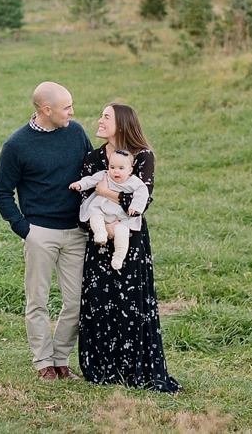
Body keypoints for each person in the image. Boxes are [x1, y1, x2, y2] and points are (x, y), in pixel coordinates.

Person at [77, 103, 181, 393]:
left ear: (121, 124)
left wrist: (105, 191)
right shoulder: (93, 158)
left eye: (106, 117)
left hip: (131, 241)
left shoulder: (143, 157)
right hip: (98, 238)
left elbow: (140, 203)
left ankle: (133, 366)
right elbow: (82, 203)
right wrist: (106, 226)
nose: (99, 121)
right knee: (99, 301)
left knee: (131, 301)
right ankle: (101, 367)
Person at [0, 82, 93, 382]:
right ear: (46, 110)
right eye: (66, 108)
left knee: (76, 302)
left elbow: (91, 174)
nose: (72, 112)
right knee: (37, 301)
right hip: (40, 233)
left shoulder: (75, 133)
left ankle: (61, 359)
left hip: (76, 232)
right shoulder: (16, 145)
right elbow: (2, 193)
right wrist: (26, 230)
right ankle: (43, 364)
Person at [70, 149, 149, 270]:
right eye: (112, 167)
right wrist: (80, 185)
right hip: (103, 208)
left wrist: (135, 207)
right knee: (95, 215)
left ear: (130, 170)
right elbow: (90, 180)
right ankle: (100, 232)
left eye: (121, 168)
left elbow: (142, 194)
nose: (115, 171)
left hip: (121, 216)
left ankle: (119, 256)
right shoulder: (105, 175)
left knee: (122, 232)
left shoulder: (134, 182)